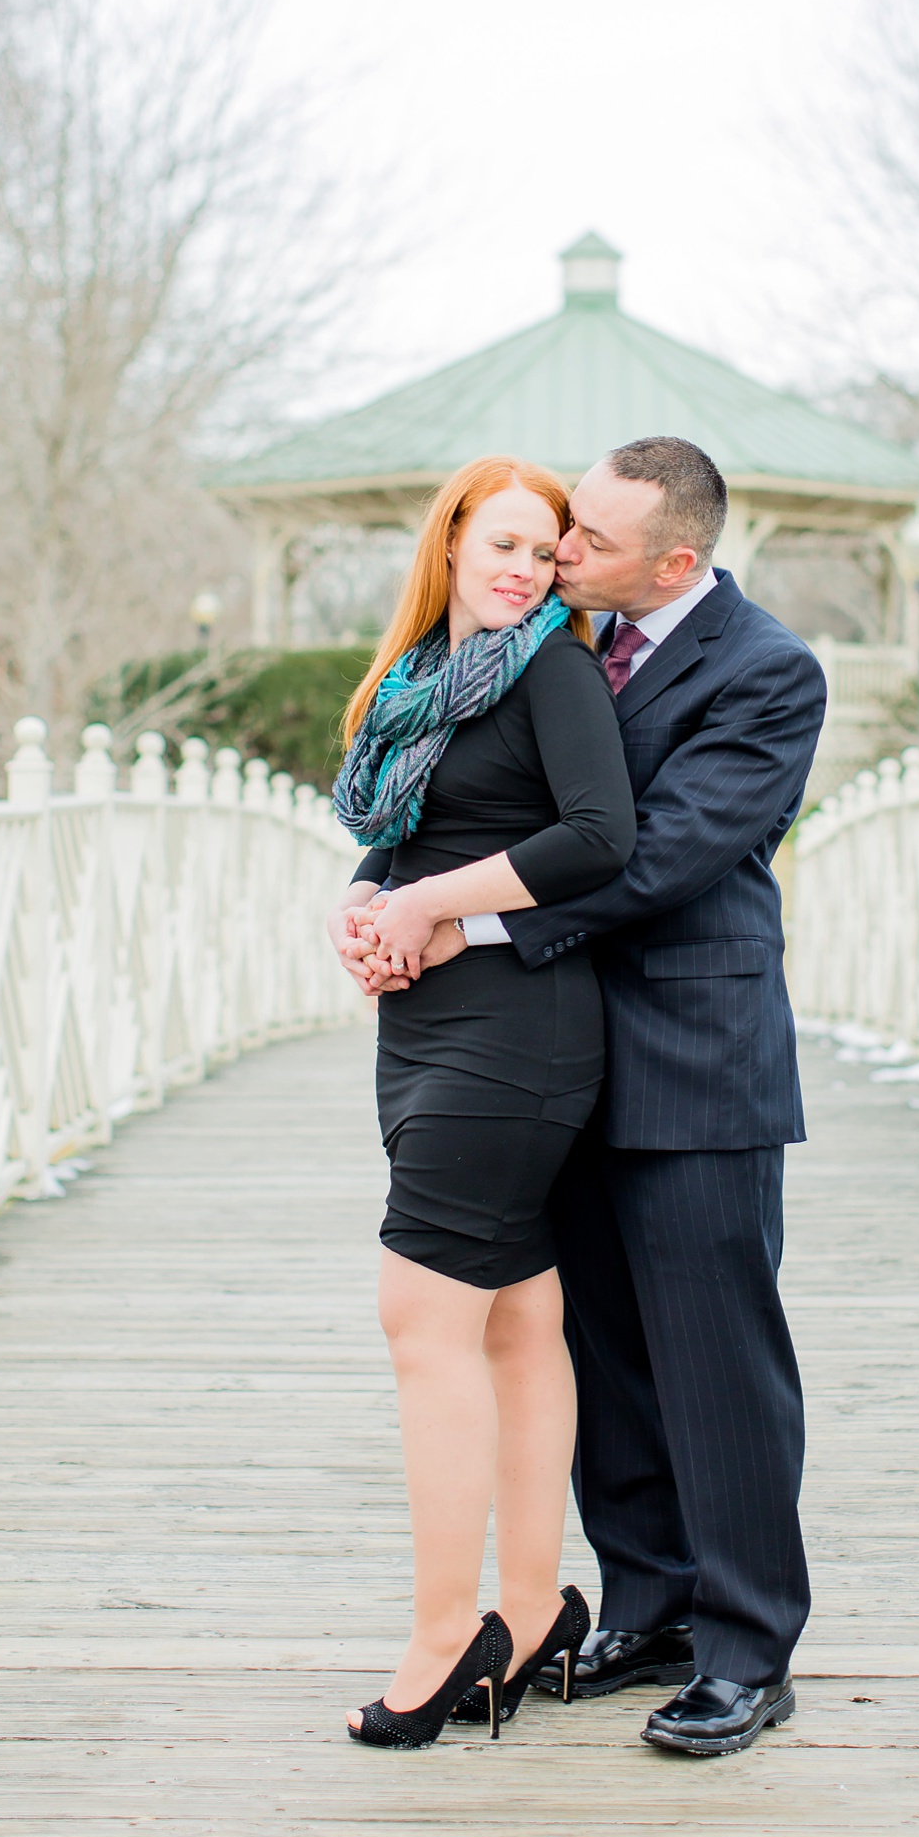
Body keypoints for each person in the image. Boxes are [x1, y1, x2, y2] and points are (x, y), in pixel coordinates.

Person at [341, 436, 828, 1759]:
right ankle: (651, 1603)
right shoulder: (564, 645)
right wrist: (391, 896)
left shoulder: (769, 672)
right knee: (602, 1353)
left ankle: (745, 1646)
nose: (561, 554)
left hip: (695, 1060)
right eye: (558, 532)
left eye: (589, 543)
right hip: (563, 1055)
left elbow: (658, 852)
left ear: (675, 559)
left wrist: (464, 924)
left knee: (718, 1365)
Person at [327, 454, 637, 1750]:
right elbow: (415, 836)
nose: (521, 568)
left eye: (542, 548)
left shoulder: (553, 668)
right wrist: (367, 900)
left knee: (423, 1312)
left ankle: (445, 1631)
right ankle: (533, 1603)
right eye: (500, 543)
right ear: (449, 545)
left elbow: (596, 834)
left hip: (519, 1035)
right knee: (516, 1314)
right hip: (431, 1024)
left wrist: (429, 904)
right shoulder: (418, 689)